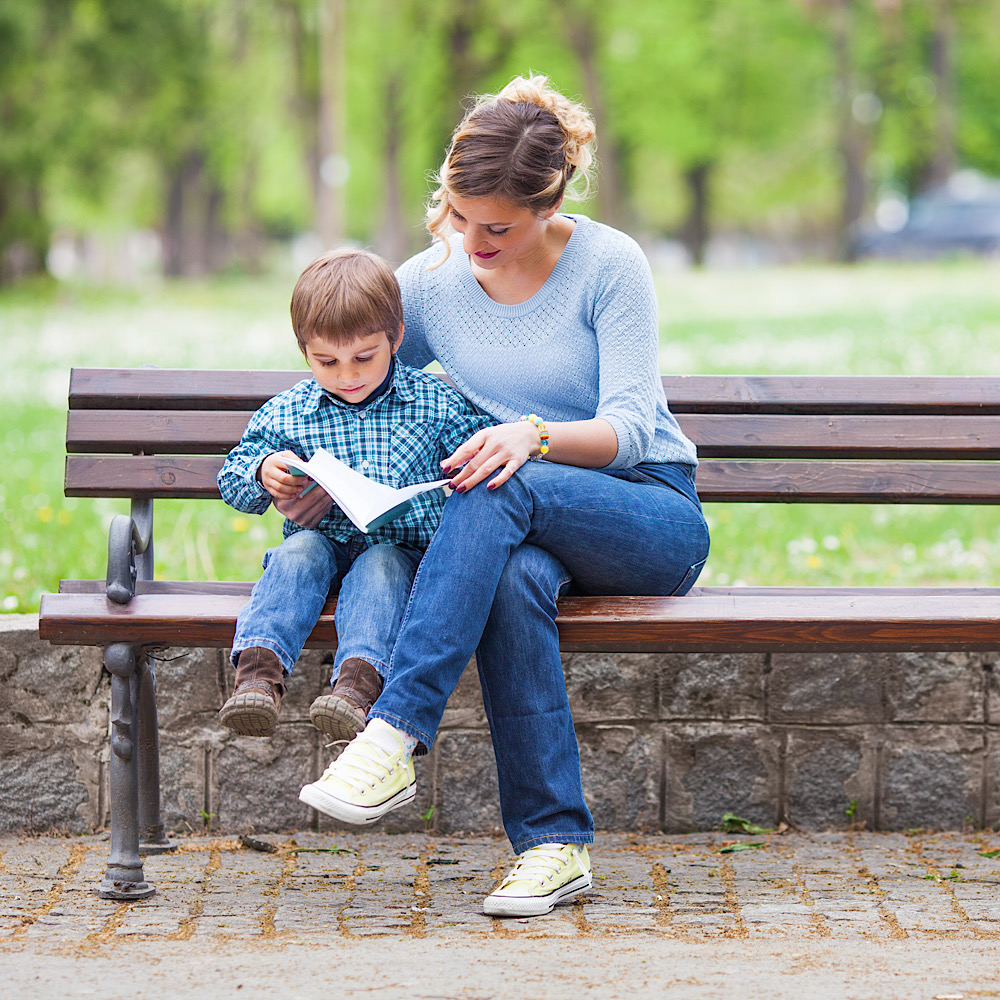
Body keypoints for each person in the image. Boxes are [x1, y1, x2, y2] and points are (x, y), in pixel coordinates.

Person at [295, 75, 710, 918]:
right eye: (456, 214)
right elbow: (359, 397)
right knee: (514, 576)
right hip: (520, 521)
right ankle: (555, 848)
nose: (471, 239)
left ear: (549, 201)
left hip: (645, 513)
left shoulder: (607, 264)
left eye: (498, 226)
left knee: (498, 480)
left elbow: (631, 426)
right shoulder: (431, 283)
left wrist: (532, 434)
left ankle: (394, 731)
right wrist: (301, 474)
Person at [217, 248, 493, 742]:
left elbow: (479, 457)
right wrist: (264, 473)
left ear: (396, 338)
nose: (348, 376)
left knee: (382, 563)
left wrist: (462, 472)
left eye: (364, 357)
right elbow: (233, 474)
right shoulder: (290, 411)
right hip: (321, 543)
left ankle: (355, 689)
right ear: (305, 351)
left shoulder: (434, 402)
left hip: (399, 551)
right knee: (297, 550)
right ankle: (257, 677)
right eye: (327, 361)